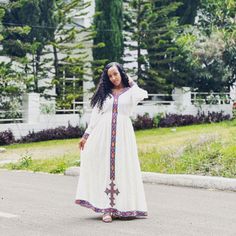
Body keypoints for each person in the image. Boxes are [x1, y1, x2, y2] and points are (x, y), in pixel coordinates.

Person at [75, 62, 148, 223]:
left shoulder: (130, 92)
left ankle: (123, 207)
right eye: (110, 76)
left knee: (123, 167)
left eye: (116, 74)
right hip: (103, 134)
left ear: (121, 73)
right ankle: (106, 209)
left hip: (123, 134)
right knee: (105, 168)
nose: (113, 78)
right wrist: (86, 135)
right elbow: (95, 116)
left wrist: (130, 80)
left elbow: (143, 94)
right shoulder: (105, 94)